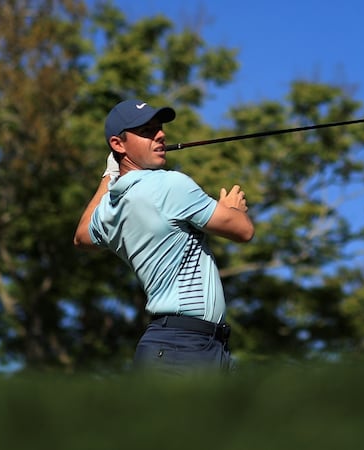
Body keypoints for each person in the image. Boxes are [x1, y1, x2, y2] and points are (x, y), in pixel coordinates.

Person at [74, 99, 254, 374]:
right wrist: (232, 209)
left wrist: (109, 175)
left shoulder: (111, 207)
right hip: (183, 347)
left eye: (159, 129)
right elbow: (243, 230)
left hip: (188, 347)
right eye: (146, 131)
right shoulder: (169, 185)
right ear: (118, 144)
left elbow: (81, 235)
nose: (160, 135)